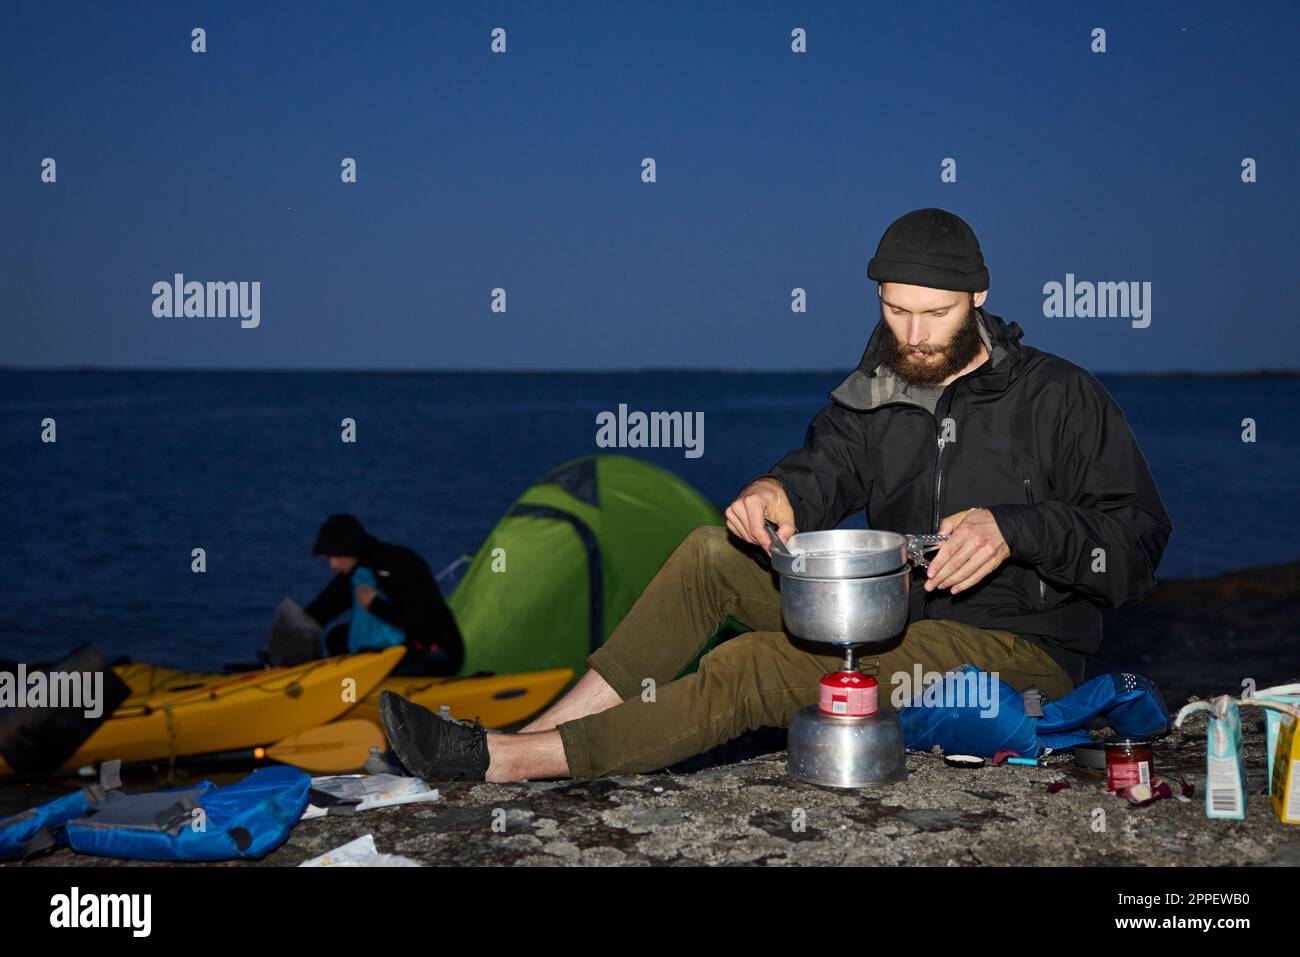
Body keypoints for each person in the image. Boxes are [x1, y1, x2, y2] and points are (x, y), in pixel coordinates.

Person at [378, 207, 1174, 783]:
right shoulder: (878, 388)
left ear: (978, 300)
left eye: (936, 313)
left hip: (1018, 655)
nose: (917, 335)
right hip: (894, 617)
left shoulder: (1061, 398)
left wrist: (1020, 528)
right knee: (707, 553)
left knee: (754, 663)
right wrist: (775, 490)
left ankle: (516, 763)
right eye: (897, 311)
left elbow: (1137, 542)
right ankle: (542, 723)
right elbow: (823, 467)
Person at [306, 514, 464, 676]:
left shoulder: (400, 564)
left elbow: (421, 623)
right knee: (337, 637)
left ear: (348, 550)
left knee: (388, 658)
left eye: (334, 556)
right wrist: (292, 633)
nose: (332, 565)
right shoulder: (357, 574)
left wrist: (376, 605)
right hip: (399, 646)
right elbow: (322, 609)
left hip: (436, 650)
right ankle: (343, 685)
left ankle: (364, 688)